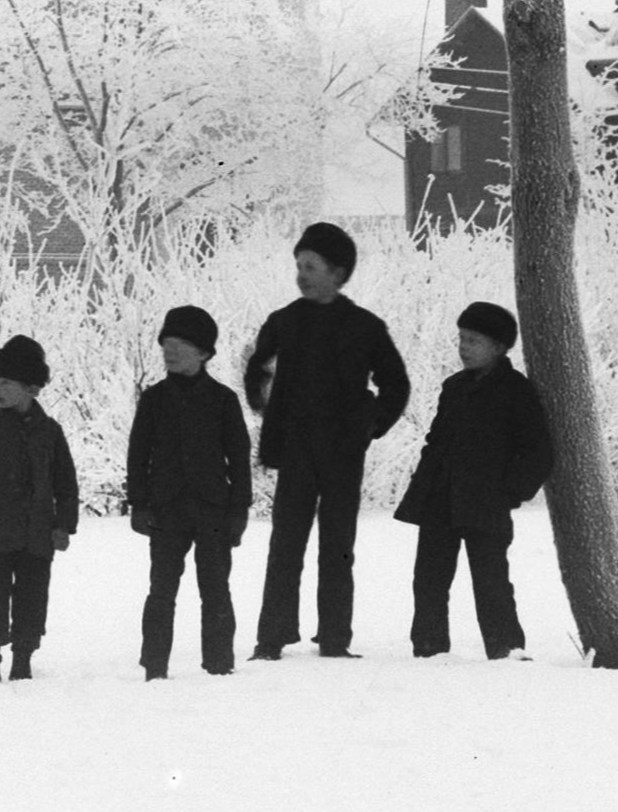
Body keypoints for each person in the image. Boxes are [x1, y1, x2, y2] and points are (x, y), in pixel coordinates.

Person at [242, 220, 412, 660]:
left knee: (337, 546)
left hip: (342, 452)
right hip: (296, 449)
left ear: (338, 273)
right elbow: (257, 370)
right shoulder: (283, 322)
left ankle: (335, 638)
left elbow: (396, 384)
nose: (301, 274)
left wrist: (370, 423)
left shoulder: (365, 326)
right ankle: (272, 638)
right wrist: (266, 406)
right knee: (286, 544)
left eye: (311, 266)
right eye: (298, 265)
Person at [398, 300, 556, 660]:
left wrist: (509, 492)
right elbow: (435, 443)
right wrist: (423, 488)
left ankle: (506, 648)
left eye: (473, 341)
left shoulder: (516, 391)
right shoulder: (452, 388)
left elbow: (538, 451)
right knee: (429, 579)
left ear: (498, 347)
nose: (463, 348)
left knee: (491, 580)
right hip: (441, 500)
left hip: (487, 503)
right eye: (461, 339)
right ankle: (428, 647)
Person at [124, 303, 251, 680]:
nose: (169, 350)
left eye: (179, 343)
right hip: (165, 510)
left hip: (213, 509)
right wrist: (139, 504)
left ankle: (219, 663)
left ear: (204, 353)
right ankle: (155, 665)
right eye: (166, 343)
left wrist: (239, 511)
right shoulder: (153, 400)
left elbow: (240, 459)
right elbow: (138, 454)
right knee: (161, 589)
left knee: (215, 589)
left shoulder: (224, 400)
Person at [0, 333, 78, 682]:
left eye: (6, 382)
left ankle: (23, 657)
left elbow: (66, 482)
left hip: (37, 534)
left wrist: (64, 524)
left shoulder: (50, 432)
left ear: (32, 388)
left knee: (32, 598)